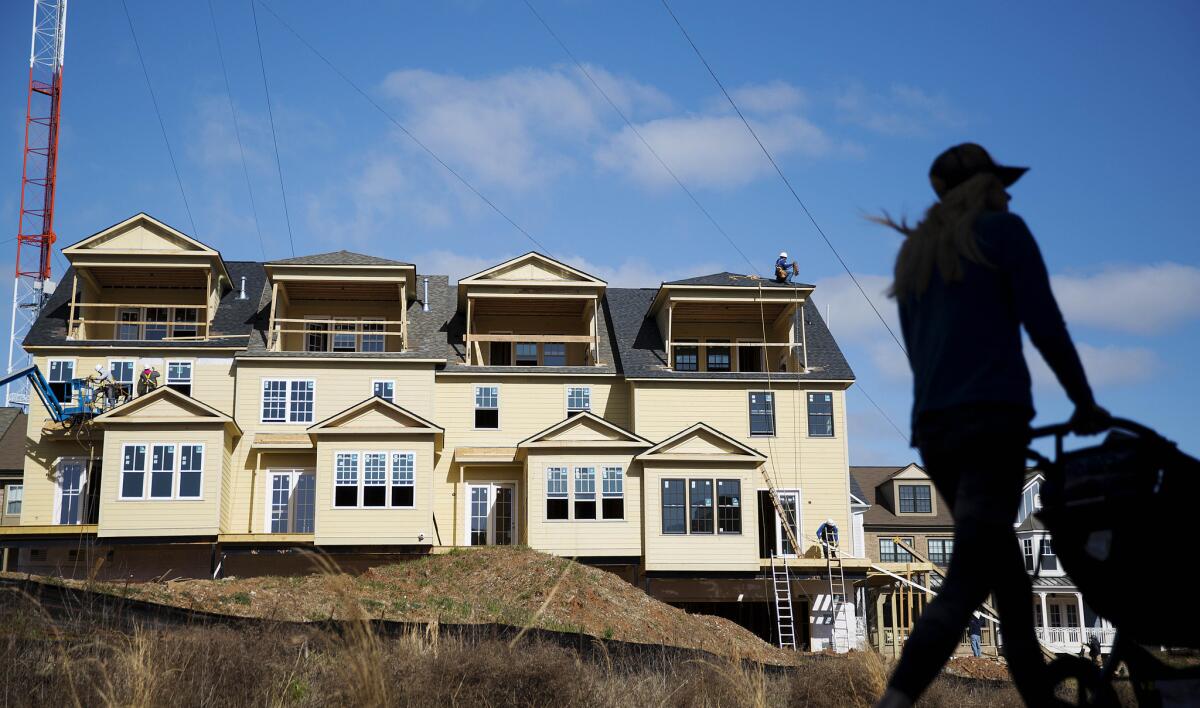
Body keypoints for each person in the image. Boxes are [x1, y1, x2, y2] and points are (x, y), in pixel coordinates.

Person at [870, 143, 1111, 708]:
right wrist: (1085, 402)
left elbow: (920, 355)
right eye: (1000, 184)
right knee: (969, 577)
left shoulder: (916, 256)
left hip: (935, 431)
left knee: (1005, 572)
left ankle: (1038, 696)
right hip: (992, 424)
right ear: (984, 187)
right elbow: (1045, 322)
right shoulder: (1003, 231)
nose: (1008, 193)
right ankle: (896, 699)